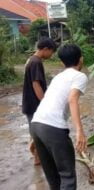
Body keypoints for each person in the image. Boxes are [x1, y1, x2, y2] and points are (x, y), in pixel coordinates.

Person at [30, 44, 88, 190]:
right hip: (53, 129)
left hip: (36, 125)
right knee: (67, 175)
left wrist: (35, 136)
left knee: (52, 175)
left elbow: (47, 101)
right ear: (80, 60)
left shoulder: (58, 77)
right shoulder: (80, 76)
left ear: (62, 63)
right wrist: (80, 131)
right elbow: (72, 99)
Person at [22, 37, 57, 165]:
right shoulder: (36, 62)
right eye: (52, 52)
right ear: (46, 49)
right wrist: (44, 103)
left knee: (34, 130)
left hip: (29, 102)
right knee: (36, 131)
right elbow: (36, 84)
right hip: (33, 104)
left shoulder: (31, 59)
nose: (51, 55)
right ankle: (37, 158)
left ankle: (37, 155)